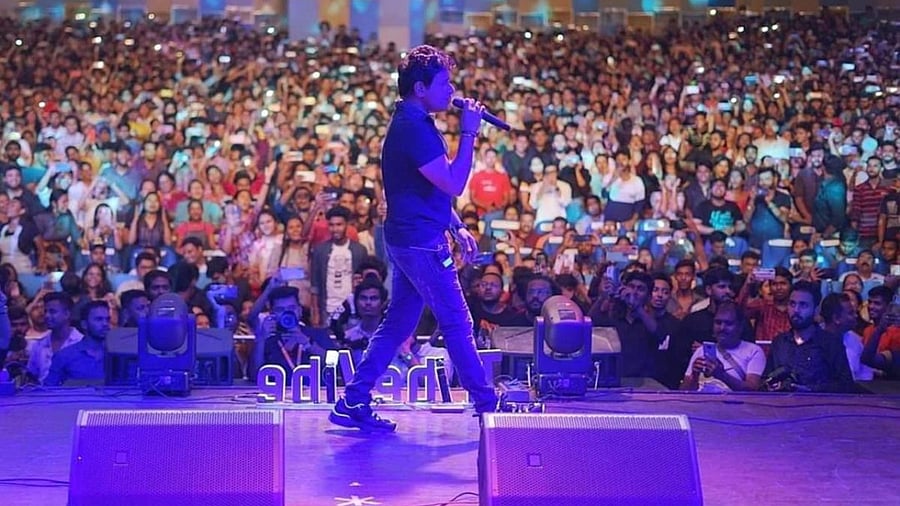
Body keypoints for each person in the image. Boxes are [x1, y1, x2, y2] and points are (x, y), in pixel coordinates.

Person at [330, 46, 498, 432]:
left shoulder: (412, 121)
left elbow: (423, 187)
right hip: (421, 241)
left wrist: (455, 225)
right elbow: (454, 183)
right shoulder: (413, 128)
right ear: (421, 87)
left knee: (398, 324)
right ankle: (487, 404)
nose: (451, 89)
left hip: (412, 235)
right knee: (457, 321)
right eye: (445, 83)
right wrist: (470, 131)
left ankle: (353, 400)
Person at [768, 281, 854, 393]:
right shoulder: (779, 343)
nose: (796, 310)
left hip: (819, 407)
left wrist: (810, 390)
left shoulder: (830, 343)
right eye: (792, 304)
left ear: (816, 309)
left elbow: (846, 386)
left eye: (803, 305)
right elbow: (766, 379)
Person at [680, 301, 766, 392]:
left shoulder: (753, 351)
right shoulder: (701, 350)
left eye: (728, 324)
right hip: (702, 404)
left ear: (740, 326)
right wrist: (695, 375)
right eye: (718, 322)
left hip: (734, 405)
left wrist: (721, 375)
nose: (722, 328)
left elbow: (752, 390)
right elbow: (683, 393)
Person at [44, 301, 111, 386]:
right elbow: (48, 390)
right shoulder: (64, 356)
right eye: (99, 319)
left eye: (107, 319)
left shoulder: (118, 356)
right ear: (84, 324)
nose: (105, 324)